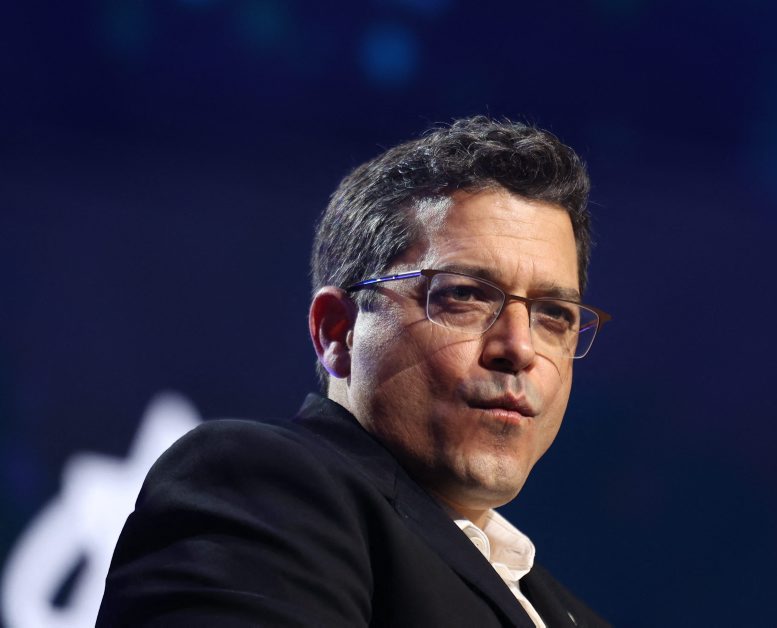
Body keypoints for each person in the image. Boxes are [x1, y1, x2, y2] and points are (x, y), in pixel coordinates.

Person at [97, 116, 612, 627]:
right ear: (337, 331)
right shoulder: (259, 489)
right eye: (464, 295)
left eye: (554, 315)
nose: (519, 347)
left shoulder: (573, 616)